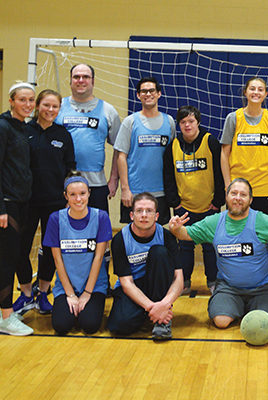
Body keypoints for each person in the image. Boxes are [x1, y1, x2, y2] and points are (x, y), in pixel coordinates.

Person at [168, 178, 268, 329]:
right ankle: (237, 306)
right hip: (229, 288)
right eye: (234, 193)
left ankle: (251, 307)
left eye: (243, 195)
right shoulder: (214, 222)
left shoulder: (260, 220)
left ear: (250, 200)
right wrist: (175, 228)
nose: (237, 198)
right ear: (227, 197)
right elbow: (186, 234)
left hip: (262, 289)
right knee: (221, 321)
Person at [14, 89, 76, 316]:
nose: (50, 110)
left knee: (51, 250)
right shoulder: (23, 130)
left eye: (55, 107)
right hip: (26, 201)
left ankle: (42, 293)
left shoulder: (63, 135)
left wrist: (70, 198)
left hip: (54, 203)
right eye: (46, 105)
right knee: (20, 248)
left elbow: (70, 167)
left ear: (59, 109)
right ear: (38, 106)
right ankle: (26, 293)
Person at [163, 105, 224, 295]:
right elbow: (168, 176)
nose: (187, 125)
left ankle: (213, 282)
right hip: (184, 207)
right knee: (185, 247)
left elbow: (220, 172)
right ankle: (185, 282)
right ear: (179, 124)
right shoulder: (172, 146)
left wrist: (218, 200)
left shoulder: (210, 141)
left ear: (198, 121)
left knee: (210, 247)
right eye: (183, 122)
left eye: (191, 121)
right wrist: (175, 202)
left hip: (209, 206)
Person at [107, 193, 183, 340]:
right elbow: (126, 283)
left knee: (159, 252)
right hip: (132, 287)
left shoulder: (166, 236)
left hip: (157, 284)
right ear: (131, 215)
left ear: (156, 216)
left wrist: (165, 304)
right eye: (139, 211)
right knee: (119, 326)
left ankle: (162, 322)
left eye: (149, 211)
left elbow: (179, 278)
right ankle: (154, 314)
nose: (144, 215)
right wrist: (151, 307)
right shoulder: (120, 239)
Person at [44, 172, 112, 335]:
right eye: (72, 194)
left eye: (82, 193)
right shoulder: (55, 219)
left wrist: (87, 294)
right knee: (61, 326)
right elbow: (57, 259)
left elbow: (98, 257)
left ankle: (87, 307)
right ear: (65, 196)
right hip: (67, 286)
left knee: (89, 325)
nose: (78, 199)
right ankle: (72, 307)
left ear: (89, 193)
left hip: (93, 286)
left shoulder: (101, 217)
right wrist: (70, 294)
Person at [55, 63, 121, 213]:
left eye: (86, 77)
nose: (81, 80)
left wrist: (113, 180)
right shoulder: (58, 107)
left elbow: (120, 149)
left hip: (96, 185)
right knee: (63, 232)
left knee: (97, 232)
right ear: (70, 81)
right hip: (61, 183)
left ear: (93, 81)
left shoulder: (108, 110)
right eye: (76, 77)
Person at [115, 77, 175, 225]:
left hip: (161, 191)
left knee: (157, 237)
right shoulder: (130, 122)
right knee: (133, 236)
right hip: (135, 192)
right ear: (138, 95)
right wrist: (125, 189)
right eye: (144, 91)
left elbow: (172, 157)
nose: (148, 94)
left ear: (159, 94)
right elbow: (121, 157)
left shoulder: (169, 122)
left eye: (151, 91)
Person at [0, 82, 35, 336]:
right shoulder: (2, 127)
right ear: (11, 100)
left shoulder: (23, 128)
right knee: (6, 260)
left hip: (22, 203)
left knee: (14, 256)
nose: (28, 104)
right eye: (22, 100)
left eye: (31, 100)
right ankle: (5, 317)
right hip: (7, 205)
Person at [220, 77, 268, 215]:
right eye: (252, 89)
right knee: (236, 230)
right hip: (238, 187)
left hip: (263, 186)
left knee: (261, 232)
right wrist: (228, 185)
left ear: (266, 94)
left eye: (260, 89)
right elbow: (224, 154)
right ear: (245, 92)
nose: (256, 92)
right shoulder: (233, 118)